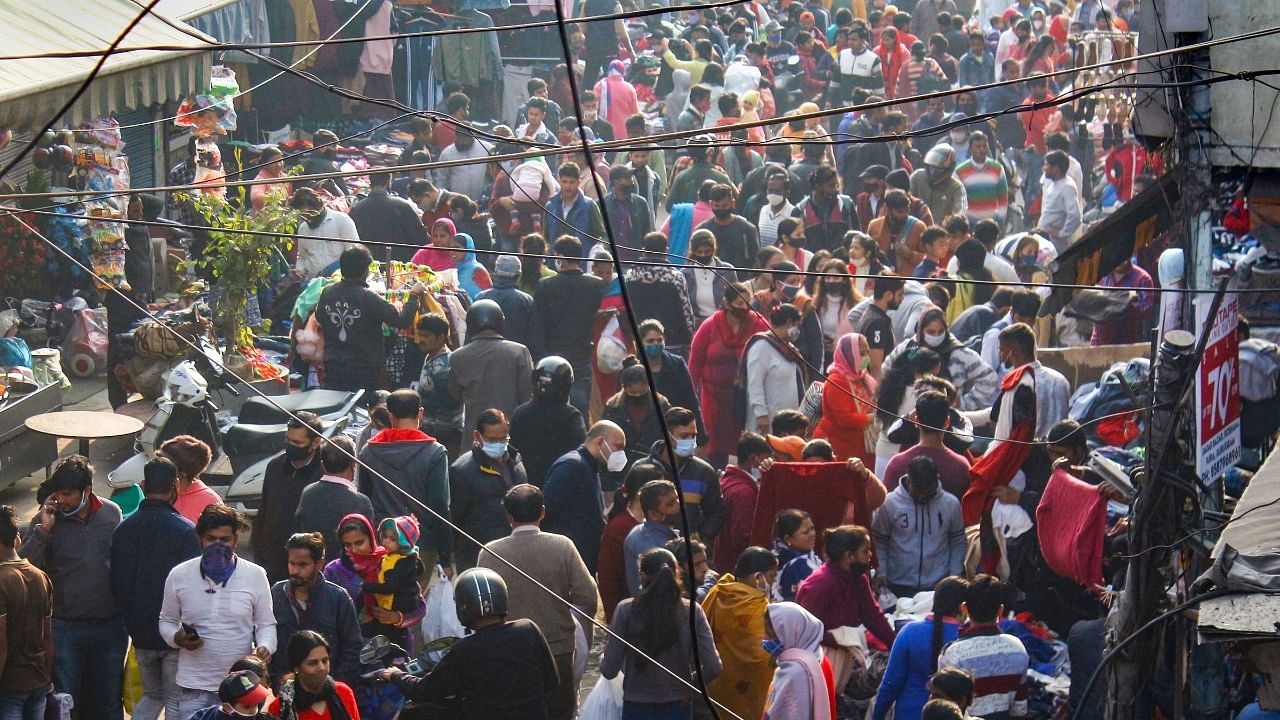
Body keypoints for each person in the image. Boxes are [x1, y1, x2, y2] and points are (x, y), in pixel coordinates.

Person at [477, 485, 598, 720]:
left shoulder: (490, 552)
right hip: (558, 649)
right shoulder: (562, 545)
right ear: (542, 512)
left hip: (508, 652)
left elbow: (481, 606)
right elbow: (588, 595)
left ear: (509, 516)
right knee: (559, 713)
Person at [20, 456, 126, 720]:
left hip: (110, 627)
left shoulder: (111, 513)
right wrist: (44, 530)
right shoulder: (46, 519)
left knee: (108, 700)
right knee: (66, 702)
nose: (61, 500)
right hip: (66, 628)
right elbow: (24, 570)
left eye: (67, 494)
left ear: (87, 491)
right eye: (57, 494)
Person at [379, 566, 559, 717]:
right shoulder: (528, 629)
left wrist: (395, 675)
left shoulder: (464, 650)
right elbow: (552, 681)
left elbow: (423, 691)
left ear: (462, 606)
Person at [160, 505, 275, 720]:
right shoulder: (179, 575)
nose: (218, 546)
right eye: (211, 539)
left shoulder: (255, 575)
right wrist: (178, 638)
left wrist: (265, 647)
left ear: (236, 540)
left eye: (225, 539)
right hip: (194, 689)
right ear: (200, 540)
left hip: (241, 691)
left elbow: (266, 624)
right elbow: (166, 621)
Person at [110, 458, 201, 720]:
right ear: (175, 486)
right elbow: (192, 588)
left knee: (151, 695)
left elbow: (117, 582)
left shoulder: (123, 530)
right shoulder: (186, 531)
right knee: (174, 698)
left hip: (139, 634)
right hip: (174, 634)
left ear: (143, 485)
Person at [357, 389, 453, 576]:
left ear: (390, 415)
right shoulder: (435, 453)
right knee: (414, 601)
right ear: (420, 413)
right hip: (422, 546)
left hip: (382, 544)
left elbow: (365, 500)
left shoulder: (368, 452)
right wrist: (446, 555)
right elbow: (440, 506)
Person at [795, 526, 896, 691]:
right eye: (865, 551)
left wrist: (896, 644)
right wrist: (836, 639)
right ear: (849, 556)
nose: (870, 556)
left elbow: (872, 615)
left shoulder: (858, 579)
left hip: (843, 657)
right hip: (818, 657)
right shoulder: (821, 583)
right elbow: (802, 629)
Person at [315, 245, 423, 397]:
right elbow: (402, 320)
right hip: (364, 369)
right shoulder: (368, 297)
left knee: (336, 408)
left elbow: (320, 317)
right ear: (365, 271)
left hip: (334, 366)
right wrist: (413, 296)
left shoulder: (328, 292)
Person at [690, 282, 769, 465]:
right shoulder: (710, 326)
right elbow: (695, 363)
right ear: (727, 302)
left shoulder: (759, 324)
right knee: (713, 440)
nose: (743, 308)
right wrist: (691, 395)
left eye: (746, 303)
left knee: (741, 442)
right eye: (739, 304)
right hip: (713, 397)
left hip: (744, 397)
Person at [269, 533, 362, 687]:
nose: (295, 571)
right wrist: (277, 682)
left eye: (302, 565)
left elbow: (352, 649)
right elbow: (264, 638)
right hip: (284, 690)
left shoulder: (338, 598)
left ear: (319, 564)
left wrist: (332, 686)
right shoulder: (276, 595)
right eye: (292, 563)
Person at [701, 547, 777, 720]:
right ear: (758, 578)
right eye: (772, 576)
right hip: (750, 690)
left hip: (719, 682)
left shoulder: (719, 592)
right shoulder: (756, 607)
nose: (773, 582)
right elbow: (761, 655)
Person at [535, 236, 608, 416]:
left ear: (560, 256)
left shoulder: (545, 285)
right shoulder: (595, 285)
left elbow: (538, 323)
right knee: (580, 403)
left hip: (552, 352)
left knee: (551, 404)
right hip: (582, 351)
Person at [873, 456, 966, 597]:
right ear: (909, 481)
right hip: (897, 585)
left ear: (937, 480)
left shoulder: (951, 504)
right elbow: (880, 541)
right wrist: (882, 572)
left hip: (938, 586)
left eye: (927, 491)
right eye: (918, 490)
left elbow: (957, 542)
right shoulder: (889, 503)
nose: (922, 496)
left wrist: (954, 576)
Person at [543, 421, 628, 575]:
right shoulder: (572, 466)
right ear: (600, 442)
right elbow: (547, 511)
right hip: (567, 563)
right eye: (618, 447)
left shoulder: (591, 468)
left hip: (582, 561)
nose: (621, 454)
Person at [937, 575, 1029, 718]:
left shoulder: (952, 654)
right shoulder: (1018, 649)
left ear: (964, 609)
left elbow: (943, 710)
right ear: (1000, 611)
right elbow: (1020, 710)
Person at [449, 409, 529, 571]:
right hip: (478, 555)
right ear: (478, 437)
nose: (499, 444)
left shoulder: (515, 460)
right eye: (493, 440)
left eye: (503, 438)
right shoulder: (462, 471)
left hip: (513, 551)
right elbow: (455, 517)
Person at [253, 412, 325, 584]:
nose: (291, 446)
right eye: (288, 440)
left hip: (306, 562)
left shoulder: (324, 473)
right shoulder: (276, 466)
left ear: (315, 442)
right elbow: (264, 509)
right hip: (272, 559)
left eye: (297, 443)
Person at [882, 307, 998, 412]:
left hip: (945, 417)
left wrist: (964, 405)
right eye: (931, 332)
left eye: (940, 331)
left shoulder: (958, 353)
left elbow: (989, 378)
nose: (936, 336)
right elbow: (886, 369)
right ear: (920, 330)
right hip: (906, 414)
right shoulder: (908, 348)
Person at [644, 407, 727, 547]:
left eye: (693, 435)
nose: (690, 441)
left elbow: (716, 512)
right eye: (684, 436)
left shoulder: (704, 473)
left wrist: (702, 536)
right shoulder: (644, 470)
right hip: (650, 547)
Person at [0, 505, 52, 720]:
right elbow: (47, 638)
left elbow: (1, 645)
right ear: (18, 539)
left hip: (10, 685)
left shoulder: (2, 580)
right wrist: (47, 679)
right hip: (38, 681)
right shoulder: (41, 576)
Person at [448, 300, 534, 426]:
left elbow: (455, 394)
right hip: (510, 431)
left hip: (475, 435)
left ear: (470, 325)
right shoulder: (519, 352)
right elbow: (528, 394)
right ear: (501, 323)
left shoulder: (458, 356)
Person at [600, 463, 667, 621]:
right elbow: (608, 579)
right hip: (632, 613)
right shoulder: (619, 528)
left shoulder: (663, 521)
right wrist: (616, 619)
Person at [295, 437, 374, 566]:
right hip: (348, 574)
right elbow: (370, 546)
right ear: (353, 464)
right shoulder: (361, 502)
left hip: (314, 569)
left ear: (322, 465)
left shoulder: (308, 493)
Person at [510, 357, 587, 488]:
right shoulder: (571, 416)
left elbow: (512, 450)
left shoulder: (520, 412)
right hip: (561, 483)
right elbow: (581, 451)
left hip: (526, 484)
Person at [882, 390, 973, 498]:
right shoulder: (961, 467)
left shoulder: (897, 464)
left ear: (916, 421)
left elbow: (885, 507)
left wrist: (907, 417)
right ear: (947, 422)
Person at [812, 332, 879, 466]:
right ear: (848, 355)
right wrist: (873, 417)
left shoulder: (864, 379)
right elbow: (845, 419)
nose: (866, 357)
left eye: (867, 352)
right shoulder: (836, 381)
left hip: (859, 445)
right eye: (861, 353)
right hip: (837, 446)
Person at [761, 602, 834, 720]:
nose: (765, 639)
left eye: (770, 634)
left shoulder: (795, 673)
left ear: (791, 634)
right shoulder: (813, 657)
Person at [625, 238, 696, 354]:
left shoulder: (630, 276)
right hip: (673, 341)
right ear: (666, 251)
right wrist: (689, 338)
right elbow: (686, 311)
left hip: (643, 339)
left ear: (643, 251)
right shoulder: (675, 277)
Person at [998, 323, 1070, 437]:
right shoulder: (1061, 379)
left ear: (1013, 352)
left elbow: (1004, 433)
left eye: (1002, 350)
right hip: (1058, 447)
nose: (1000, 356)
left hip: (1030, 452)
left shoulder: (1019, 384)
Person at [267, 631, 359, 720]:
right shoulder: (280, 708)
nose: (321, 668)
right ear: (296, 667)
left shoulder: (343, 693)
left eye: (325, 661)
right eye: (312, 663)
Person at [744, 303, 807, 433]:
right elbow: (755, 383)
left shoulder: (788, 349)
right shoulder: (761, 347)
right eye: (797, 325)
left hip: (788, 421)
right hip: (767, 421)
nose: (798, 330)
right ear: (789, 322)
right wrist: (761, 414)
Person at [715, 432, 772, 576]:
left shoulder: (728, 481)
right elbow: (742, 537)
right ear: (754, 459)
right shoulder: (744, 493)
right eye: (765, 459)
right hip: (737, 568)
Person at [410, 313, 464, 457]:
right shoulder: (431, 356)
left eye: (426, 336)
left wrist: (436, 443)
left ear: (441, 337)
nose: (420, 340)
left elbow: (447, 408)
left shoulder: (443, 367)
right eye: (420, 335)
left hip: (443, 438)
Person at [348, 172, 429, 263]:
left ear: (370, 184)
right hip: (400, 268)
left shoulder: (356, 209)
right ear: (388, 183)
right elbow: (420, 239)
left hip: (367, 266)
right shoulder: (403, 206)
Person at [622, 480, 681, 595]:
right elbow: (662, 590)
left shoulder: (666, 533)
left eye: (677, 499)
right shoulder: (648, 543)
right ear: (654, 514)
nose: (678, 506)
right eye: (670, 504)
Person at [291, 188, 360, 280]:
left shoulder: (342, 221)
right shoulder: (303, 229)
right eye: (304, 215)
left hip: (339, 281)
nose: (308, 217)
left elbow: (355, 254)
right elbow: (302, 257)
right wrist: (300, 270)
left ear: (318, 207)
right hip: (312, 283)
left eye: (310, 212)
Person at [158, 435, 222, 523]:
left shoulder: (209, 502)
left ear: (183, 473)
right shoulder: (153, 490)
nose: (157, 466)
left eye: (165, 464)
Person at [1092, 257, 1155, 346]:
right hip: (1100, 344)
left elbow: (1147, 309)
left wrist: (1127, 301)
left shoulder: (1143, 278)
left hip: (1129, 344)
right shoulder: (1101, 275)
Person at [856, 274, 906, 379]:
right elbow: (875, 366)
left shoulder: (870, 315)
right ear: (888, 295)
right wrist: (880, 392)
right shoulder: (877, 323)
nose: (902, 299)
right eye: (900, 295)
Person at [1037, 150, 1082, 249]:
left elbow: (1075, 216)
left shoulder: (1067, 187)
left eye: (1047, 165)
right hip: (1045, 239)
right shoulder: (1054, 183)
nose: (1044, 169)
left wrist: (1061, 234)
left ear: (1056, 168)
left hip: (1055, 243)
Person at [773, 509, 821, 602]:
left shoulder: (806, 556)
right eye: (805, 532)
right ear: (788, 539)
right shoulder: (798, 567)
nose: (812, 534)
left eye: (812, 528)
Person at [188, 670, 271, 720]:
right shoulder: (204, 716)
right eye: (247, 707)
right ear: (227, 707)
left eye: (256, 703)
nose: (253, 710)